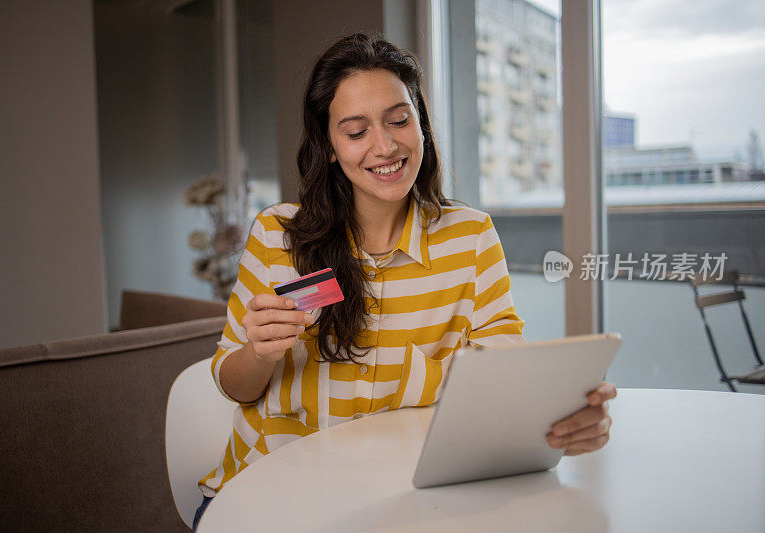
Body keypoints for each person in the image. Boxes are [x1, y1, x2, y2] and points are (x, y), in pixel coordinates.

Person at [192, 33, 616, 529]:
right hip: (269, 501)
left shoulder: (471, 238)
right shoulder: (278, 235)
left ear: (420, 124)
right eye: (356, 132)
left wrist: (563, 415)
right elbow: (233, 384)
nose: (386, 146)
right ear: (328, 146)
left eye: (399, 120)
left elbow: (506, 376)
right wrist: (259, 353)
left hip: (401, 504)